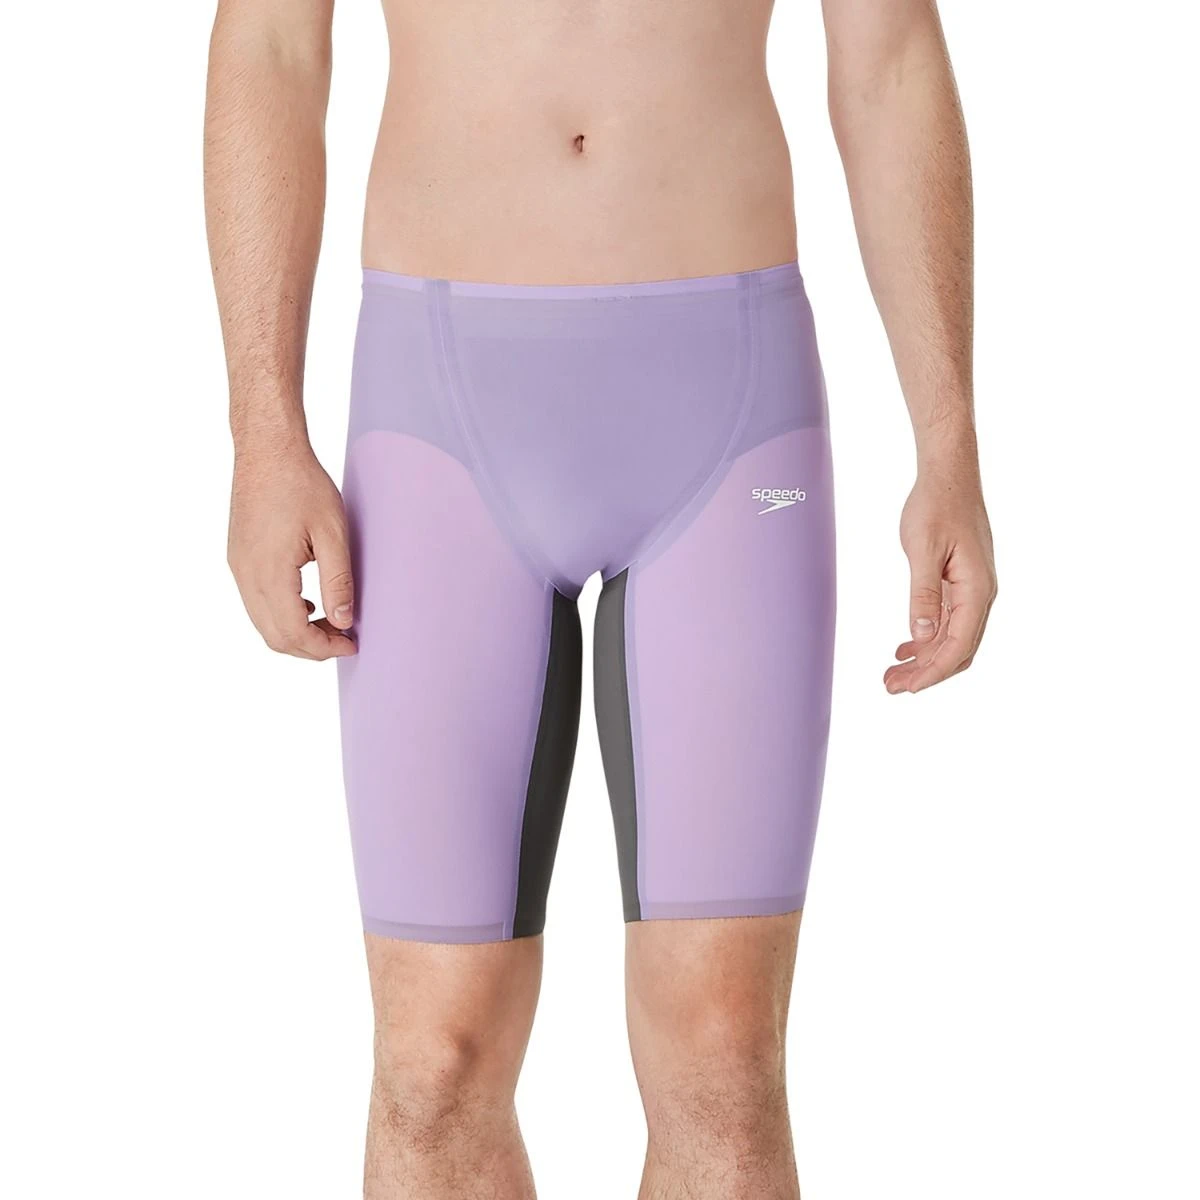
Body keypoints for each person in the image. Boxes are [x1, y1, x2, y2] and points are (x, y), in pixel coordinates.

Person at [204, 0, 997, 1194]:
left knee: (722, 1059)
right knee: (432, 1063)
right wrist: (263, 432)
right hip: (437, 407)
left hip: (729, 407)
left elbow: (888, 59)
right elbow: (269, 42)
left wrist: (949, 443)